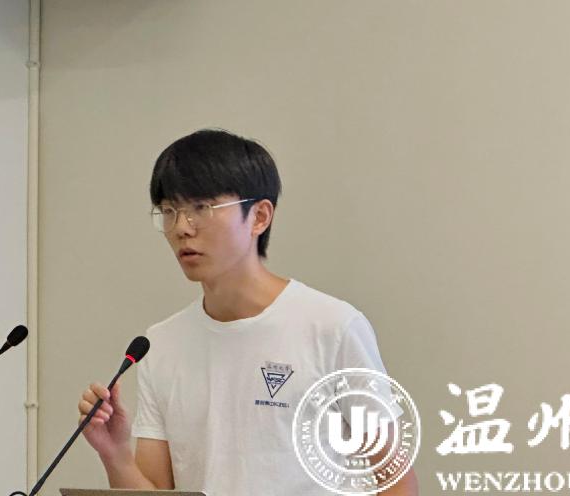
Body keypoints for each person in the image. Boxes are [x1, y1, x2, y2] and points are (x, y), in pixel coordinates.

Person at [77, 129, 418, 495]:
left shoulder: (332, 327)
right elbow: (158, 491)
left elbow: (396, 482)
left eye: (201, 208)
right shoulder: (161, 345)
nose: (181, 228)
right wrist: (115, 455)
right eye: (170, 211)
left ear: (259, 216)